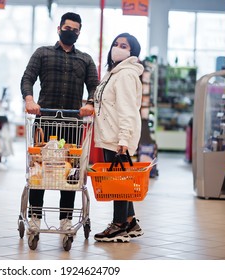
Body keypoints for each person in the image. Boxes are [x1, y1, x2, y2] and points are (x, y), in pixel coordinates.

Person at [20, 12, 99, 234]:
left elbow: (95, 85)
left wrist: (90, 103)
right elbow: (27, 78)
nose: (71, 32)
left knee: (70, 173)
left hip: (72, 124)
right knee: (39, 171)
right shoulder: (42, 53)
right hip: (44, 122)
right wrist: (29, 99)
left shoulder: (85, 59)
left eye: (75, 30)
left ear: (79, 33)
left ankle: (66, 219)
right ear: (58, 28)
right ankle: (35, 216)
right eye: (67, 28)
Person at [92, 33, 144, 242]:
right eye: (116, 44)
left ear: (133, 53)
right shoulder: (114, 73)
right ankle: (130, 221)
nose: (118, 48)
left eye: (124, 46)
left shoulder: (125, 75)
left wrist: (123, 139)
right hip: (111, 135)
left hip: (118, 139)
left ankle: (119, 225)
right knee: (121, 181)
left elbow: (127, 110)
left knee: (118, 182)